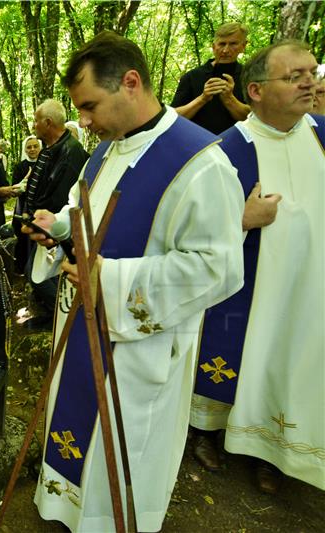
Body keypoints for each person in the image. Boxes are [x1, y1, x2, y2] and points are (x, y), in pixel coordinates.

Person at [26, 31, 244, 532]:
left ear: (130, 83)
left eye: (89, 106)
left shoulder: (200, 162)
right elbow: (86, 212)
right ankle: (67, 507)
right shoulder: (106, 149)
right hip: (81, 328)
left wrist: (112, 279)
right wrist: (59, 226)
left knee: (123, 448)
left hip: (139, 346)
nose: (83, 120)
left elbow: (220, 267)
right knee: (78, 430)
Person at [190, 41, 325, 494]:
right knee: (230, 351)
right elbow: (192, 231)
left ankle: (276, 448)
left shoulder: (322, 136)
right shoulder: (226, 150)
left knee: (292, 358)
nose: (308, 82)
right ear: (256, 91)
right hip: (248, 286)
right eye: (293, 76)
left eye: (311, 73)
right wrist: (242, 220)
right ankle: (207, 429)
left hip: (310, 283)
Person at [22, 99, 89, 330]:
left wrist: (48, 225)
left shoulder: (71, 152)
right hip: (41, 226)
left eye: (36, 120)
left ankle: (67, 318)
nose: (33, 125)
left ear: (48, 122)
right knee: (36, 274)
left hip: (57, 231)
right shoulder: (50, 149)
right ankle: (54, 316)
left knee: (37, 275)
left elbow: (66, 200)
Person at [171, 22, 251, 133]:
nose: (226, 50)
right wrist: (202, 99)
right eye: (222, 44)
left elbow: (257, 120)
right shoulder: (192, 77)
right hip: (199, 145)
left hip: (237, 146)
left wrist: (229, 99)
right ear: (214, 47)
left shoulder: (250, 77)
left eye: (233, 44)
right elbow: (173, 118)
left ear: (243, 46)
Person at [11, 136, 42, 273]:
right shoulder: (20, 166)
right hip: (22, 207)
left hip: (40, 208)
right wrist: (24, 182)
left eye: (35, 146)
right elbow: (14, 189)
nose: (32, 149)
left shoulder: (45, 164)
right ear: (25, 149)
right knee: (22, 239)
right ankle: (21, 268)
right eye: (29, 147)